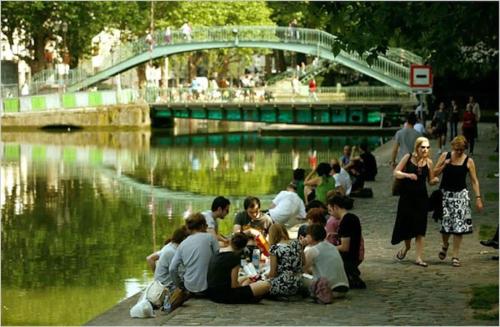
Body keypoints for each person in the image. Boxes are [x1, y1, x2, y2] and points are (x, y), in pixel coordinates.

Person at [433, 135, 483, 267]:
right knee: (445, 227)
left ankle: (455, 255)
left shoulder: (468, 161)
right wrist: (444, 165)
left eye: (462, 149)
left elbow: (474, 180)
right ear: (453, 147)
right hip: (446, 195)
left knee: (459, 228)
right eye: (457, 149)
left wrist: (478, 197)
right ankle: (445, 245)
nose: (460, 152)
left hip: (461, 196)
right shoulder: (445, 156)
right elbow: (433, 174)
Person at [391, 137, 439, 267]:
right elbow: (396, 172)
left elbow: (430, 180)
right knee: (407, 227)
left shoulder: (429, 162)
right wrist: (408, 175)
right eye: (423, 147)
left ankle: (419, 258)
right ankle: (407, 247)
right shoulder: (408, 158)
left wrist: (434, 181)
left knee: (420, 228)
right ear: (417, 147)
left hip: (421, 198)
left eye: (428, 147)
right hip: (407, 198)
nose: (425, 150)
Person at [206, 233, 270, 303]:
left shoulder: (217, 252)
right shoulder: (234, 257)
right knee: (266, 285)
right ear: (243, 247)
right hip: (224, 295)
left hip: (212, 293)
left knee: (247, 278)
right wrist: (245, 286)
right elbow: (234, 285)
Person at [170, 212, 219, 295]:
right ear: (203, 226)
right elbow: (218, 259)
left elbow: (172, 269)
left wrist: (180, 285)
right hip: (208, 288)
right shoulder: (210, 238)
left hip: (189, 288)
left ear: (189, 228)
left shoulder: (182, 244)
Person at [327, 194, 366, 289]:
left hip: (349, 258)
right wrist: (336, 235)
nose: (330, 214)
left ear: (335, 207)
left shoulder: (345, 221)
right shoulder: (353, 217)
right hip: (355, 255)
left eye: (330, 210)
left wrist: (328, 248)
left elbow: (344, 247)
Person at [303, 224, 349, 298]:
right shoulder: (332, 247)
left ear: (311, 237)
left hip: (328, 289)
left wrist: (301, 246)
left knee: (301, 277)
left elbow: (301, 267)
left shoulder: (313, 250)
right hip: (344, 286)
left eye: (307, 236)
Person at [267, 223, 304, 297]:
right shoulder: (297, 243)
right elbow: (304, 262)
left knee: (258, 284)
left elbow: (273, 273)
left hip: (283, 283)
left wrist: (266, 276)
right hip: (298, 283)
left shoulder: (274, 249)